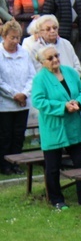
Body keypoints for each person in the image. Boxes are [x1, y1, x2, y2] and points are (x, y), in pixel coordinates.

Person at [31, 44, 81, 210]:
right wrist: (63, 106)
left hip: (74, 126)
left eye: (56, 56)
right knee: (53, 167)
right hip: (53, 127)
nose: (55, 60)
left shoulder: (69, 72)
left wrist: (78, 102)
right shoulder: (40, 79)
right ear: (42, 62)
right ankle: (56, 199)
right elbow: (38, 101)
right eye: (50, 58)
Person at [0, 21, 35, 175]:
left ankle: (17, 163)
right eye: (12, 38)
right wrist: (14, 94)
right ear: (4, 36)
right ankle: (4, 164)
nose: (15, 41)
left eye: (18, 38)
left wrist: (25, 94)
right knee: (5, 134)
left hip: (23, 102)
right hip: (5, 103)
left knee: (19, 133)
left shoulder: (24, 53)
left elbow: (32, 75)